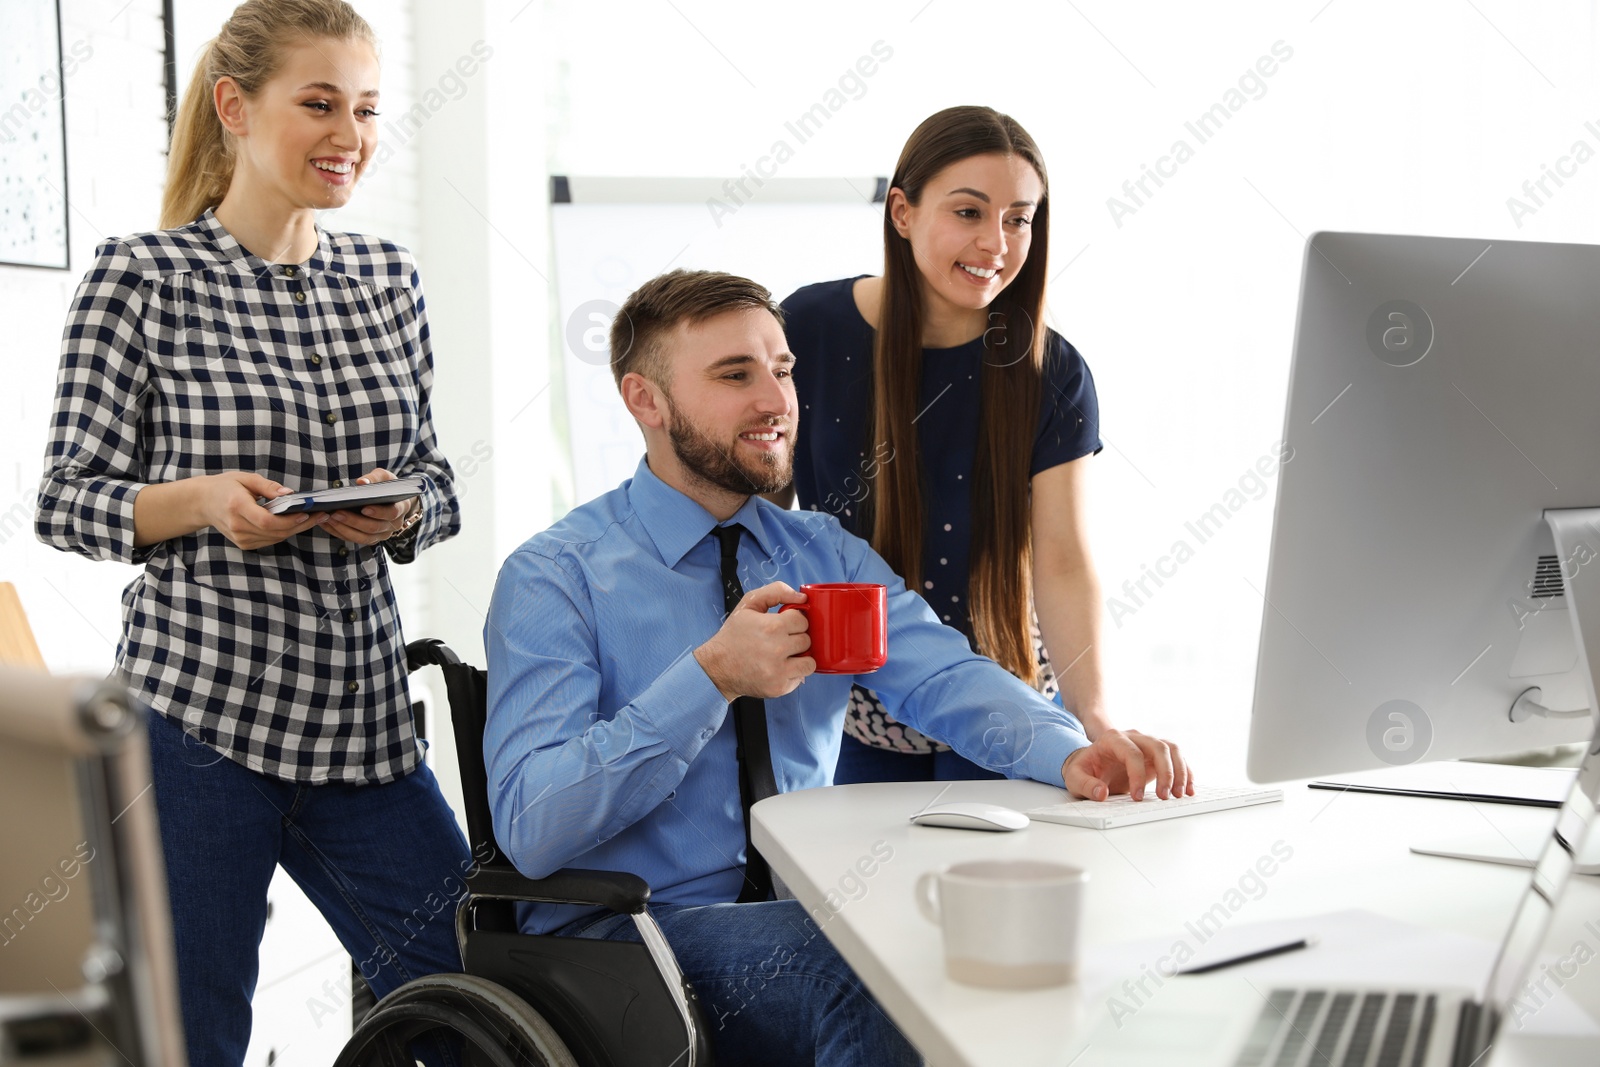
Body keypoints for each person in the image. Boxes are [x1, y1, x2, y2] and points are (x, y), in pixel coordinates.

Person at [484, 268, 1189, 1067]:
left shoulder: (818, 551)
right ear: (644, 399)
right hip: (625, 937)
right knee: (872, 966)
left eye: (782, 370)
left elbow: (942, 676)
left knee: (977, 941)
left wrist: (1069, 748)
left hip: (798, 905)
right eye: (734, 374)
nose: (776, 400)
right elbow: (534, 829)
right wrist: (709, 677)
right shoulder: (556, 575)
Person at [36, 2, 470, 1062]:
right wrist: (201, 501)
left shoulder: (389, 281)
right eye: (318, 103)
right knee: (190, 1036)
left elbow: (439, 481)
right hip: (193, 726)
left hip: (360, 721)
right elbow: (65, 499)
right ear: (234, 106)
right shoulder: (142, 277)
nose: (351, 135)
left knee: (473, 992)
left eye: (366, 108)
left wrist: (401, 504)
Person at [778, 106, 1172, 785]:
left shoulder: (1053, 372)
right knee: (858, 888)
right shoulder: (807, 330)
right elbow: (757, 518)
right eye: (969, 212)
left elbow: (1062, 558)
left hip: (1009, 707)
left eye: (1019, 218)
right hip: (851, 709)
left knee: (1008, 888)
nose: (996, 241)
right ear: (902, 211)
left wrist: (1098, 717)